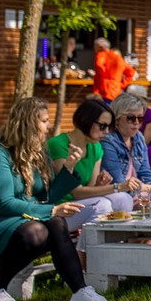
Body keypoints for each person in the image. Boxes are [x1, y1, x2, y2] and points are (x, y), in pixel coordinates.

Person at [0, 97, 107, 301]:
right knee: (38, 230)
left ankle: (80, 291)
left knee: (55, 223)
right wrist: (52, 209)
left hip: (21, 221)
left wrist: (69, 167)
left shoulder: (36, 154)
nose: (48, 126)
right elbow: (4, 204)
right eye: (44, 121)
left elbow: (46, 197)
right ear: (27, 123)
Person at [46, 96, 127, 231]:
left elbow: (89, 188)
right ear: (86, 121)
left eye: (109, 127)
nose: (106, 132)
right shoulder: (58, 145)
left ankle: (115, 241)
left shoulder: (95, 147)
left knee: (124, 199)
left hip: (80, 204)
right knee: (102, 205)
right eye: (102, 126)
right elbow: (76, 192)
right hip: (60, 208)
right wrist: (118, 187)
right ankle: (87, 244)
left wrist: (99, 185)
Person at [100, 92, 151, 198]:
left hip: (138, 191)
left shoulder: (139, 137)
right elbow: (118, 182)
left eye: (140, 118)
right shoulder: (108, 141)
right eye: (131, 118)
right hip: (117, 194)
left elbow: (146, 174)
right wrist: (147, 189)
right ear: (117, 119)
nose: (136, 122)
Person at [92, 36, 134, 103]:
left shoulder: (101, 54)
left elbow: (99, 65)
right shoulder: (118, 58)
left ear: (100, 47)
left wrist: (102, 78)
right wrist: (122, 84)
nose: (94, 49)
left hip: (103, 90)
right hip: (116, 90)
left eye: (95, 46)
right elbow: (131, 72)